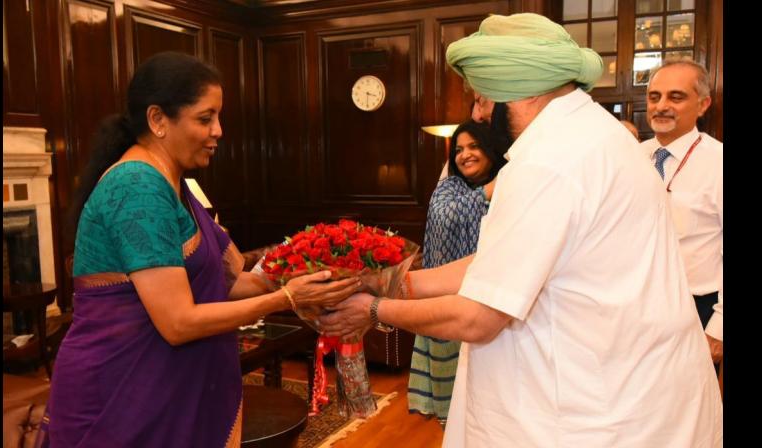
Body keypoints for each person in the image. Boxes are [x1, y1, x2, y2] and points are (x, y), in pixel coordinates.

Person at [320, 13, 722, 447]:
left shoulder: (547, 162)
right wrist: (393, 282)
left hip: (590, 411)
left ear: (513, 93)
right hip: (640, 390)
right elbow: (503, 259)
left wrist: (373, 309)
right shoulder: (598, 133)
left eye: (479, 100)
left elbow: (479, 318)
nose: (475, 114)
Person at [37, 52, 360, 447]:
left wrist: (313, 266)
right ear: (158, 120)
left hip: (157, 392)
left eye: (218, 118)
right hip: (121, 398)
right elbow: (177, 323)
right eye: (205, 118)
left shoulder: (174, 185)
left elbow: (234, 282)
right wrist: (288, 298)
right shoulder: (136, 186)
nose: (219, 131)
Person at [408, 120, 509, 427]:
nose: (465, 155)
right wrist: (490, 191)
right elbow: (444, 215)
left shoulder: (513, 187)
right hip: (450, 300)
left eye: (474, 146)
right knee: (450, 399)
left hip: (495, 302)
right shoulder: (450, 187)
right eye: (460, 149)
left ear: (491, 149)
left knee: (489, 397)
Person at [640, 58, 723, 366]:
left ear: (703, 105)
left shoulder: (718, 163)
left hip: (696, 308)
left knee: (689, 409)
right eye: (654, 96)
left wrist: (718, 329)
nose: (661, 106)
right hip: (636, 304)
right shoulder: (633, 156)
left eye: (676, 97)